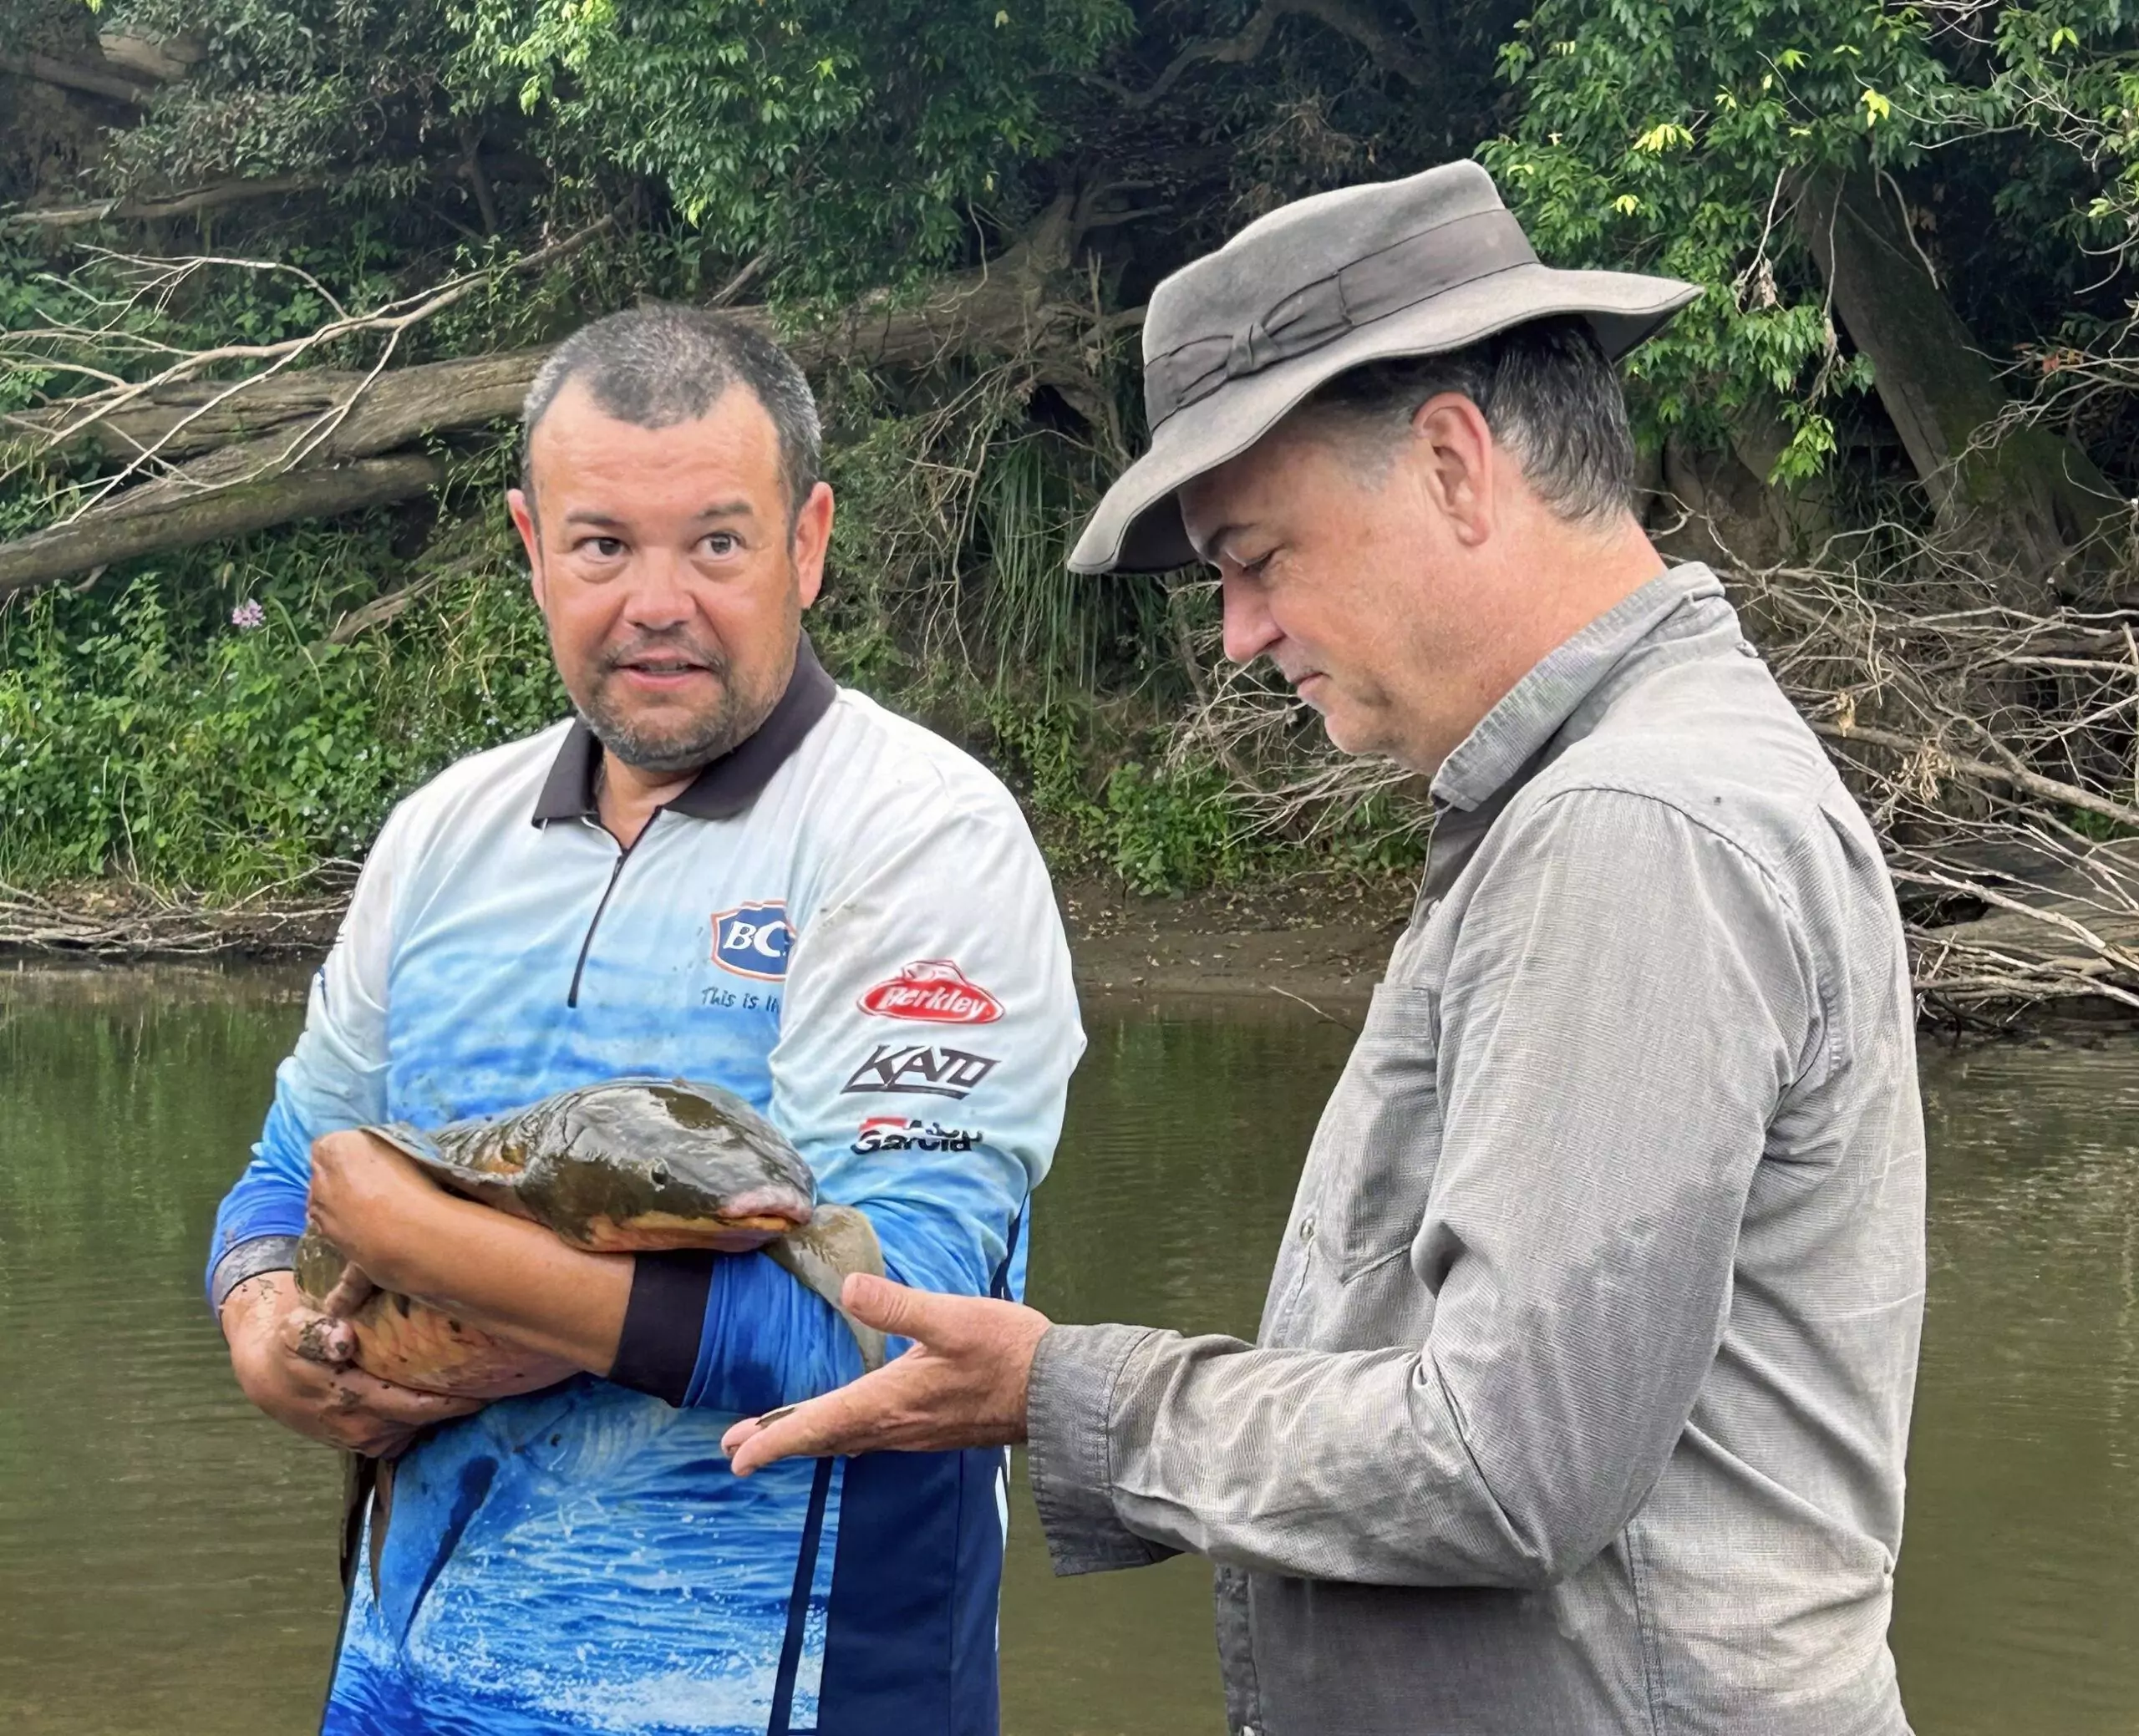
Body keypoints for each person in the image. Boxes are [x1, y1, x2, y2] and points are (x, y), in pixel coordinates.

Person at [724, 161, 1928, 1735]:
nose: (1236, 634)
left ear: (1450, 463)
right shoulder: (1609, 788)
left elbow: (1505, 1462)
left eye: (1255, 558)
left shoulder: (1630, 823)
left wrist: (1064, 1390)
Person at [209, 304, 1085, 1735]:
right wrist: (264, 1322)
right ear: (531, 545)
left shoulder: (919, 835)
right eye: (605, 542)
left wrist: (435, 1251)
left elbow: (896, 1328)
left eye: (718, 543)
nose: (657, 598)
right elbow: (282, 1172)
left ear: (807, 542)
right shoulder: (443, 835)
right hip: (399, 1688)